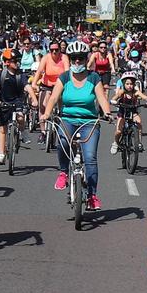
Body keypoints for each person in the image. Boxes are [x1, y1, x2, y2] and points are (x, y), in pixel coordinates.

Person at [39, 40, 112, 210]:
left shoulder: (94, 77)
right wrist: (46, 113)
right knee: (63, 142)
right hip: (68, 119)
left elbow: (101, 98)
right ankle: (63, 171)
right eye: (74, 59)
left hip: (89, 122)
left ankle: (92, 195)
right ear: (70, 60)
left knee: (90, 158)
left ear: (86, 59)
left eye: (80, 58)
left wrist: (107, 112)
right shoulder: (64, 77)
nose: (77, 62)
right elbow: (53, 97)